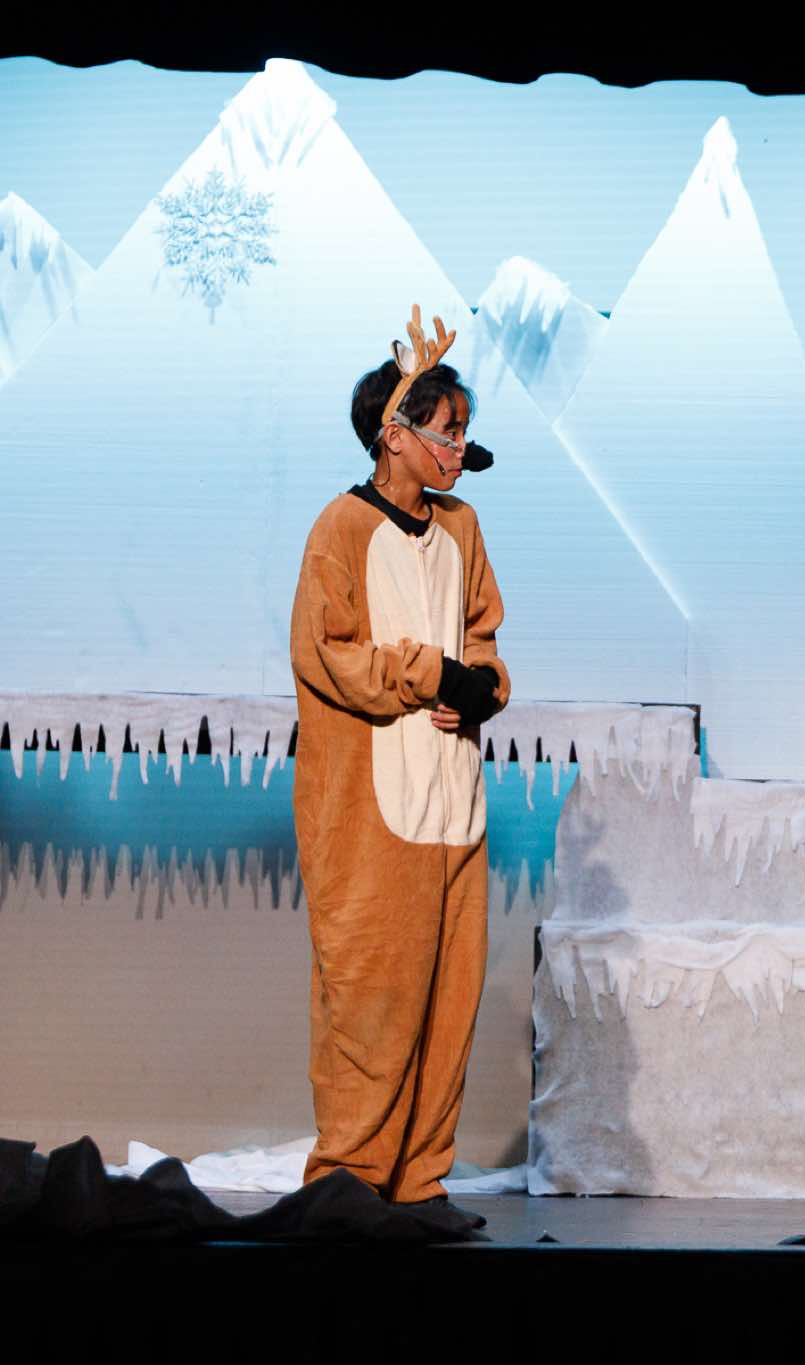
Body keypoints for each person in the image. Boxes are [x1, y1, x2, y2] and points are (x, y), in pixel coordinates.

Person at [288, 307, 509, 1228]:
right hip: (374, 813)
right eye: (446, 431)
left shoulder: (461, 528)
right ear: (396, 435)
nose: (458, 449)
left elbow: (482, 635)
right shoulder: (341, 528)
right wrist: (426, 671)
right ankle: (348, 1181)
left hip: (453, 807)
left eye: (461, 432)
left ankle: (419, 1180)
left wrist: (483, 685)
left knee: (448, 1001)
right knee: (370, 998)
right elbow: (327, 652)